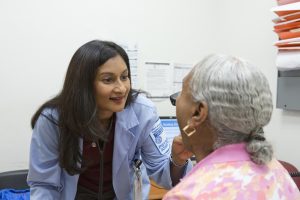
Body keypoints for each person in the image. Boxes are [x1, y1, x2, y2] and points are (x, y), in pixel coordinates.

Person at [27, 40, 193, 200]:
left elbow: (163, 174)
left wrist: (177, 159)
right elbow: (44, 185)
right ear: (84, 84)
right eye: (108, 79)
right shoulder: (52, 120)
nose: (121, 88)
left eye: (124, 77)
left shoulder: (143, 112)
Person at [163, 54, 300, 199]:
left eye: (181, 92)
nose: (177, 100)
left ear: (198, 112)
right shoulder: (280, 174)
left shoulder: (187, 195)